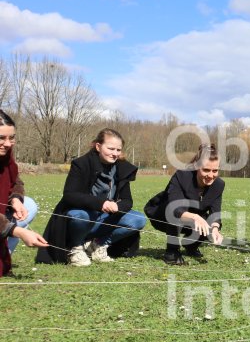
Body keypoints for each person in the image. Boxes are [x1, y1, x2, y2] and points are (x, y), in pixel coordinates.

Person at [36, 128, 146, 266]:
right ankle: (75, 247)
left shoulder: (122, 168)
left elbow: (127, 201)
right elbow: (70, 195)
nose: (115, 154)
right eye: (111, 148)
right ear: (98, 146)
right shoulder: (81, 164)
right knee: (80, 216)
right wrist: (101, 203)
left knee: (138, 219)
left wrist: (118, 206)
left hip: (104, 220)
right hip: (81, 218)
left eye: (118, 150)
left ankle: (97, 245)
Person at [145, 144, 225, 265]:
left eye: (215, 170)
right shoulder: (182, 176)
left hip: (190, 219)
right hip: (162, 215)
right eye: (206, 170)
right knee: (176, 213)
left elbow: (215, 212)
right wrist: (195, 217)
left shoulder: (219, 185)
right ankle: (171, 252)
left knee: (210, 223)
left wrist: (215, 229)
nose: (211, 175)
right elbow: (174, 207)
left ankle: (191, 246)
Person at [0, 110, 48, 275]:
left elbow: (15, 180)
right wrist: (20, 232)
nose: (7, 144)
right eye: (1, 138)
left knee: (29, 205)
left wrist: (15, 199)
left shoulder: (6, 155)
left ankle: (6, 252)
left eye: (11, 138)